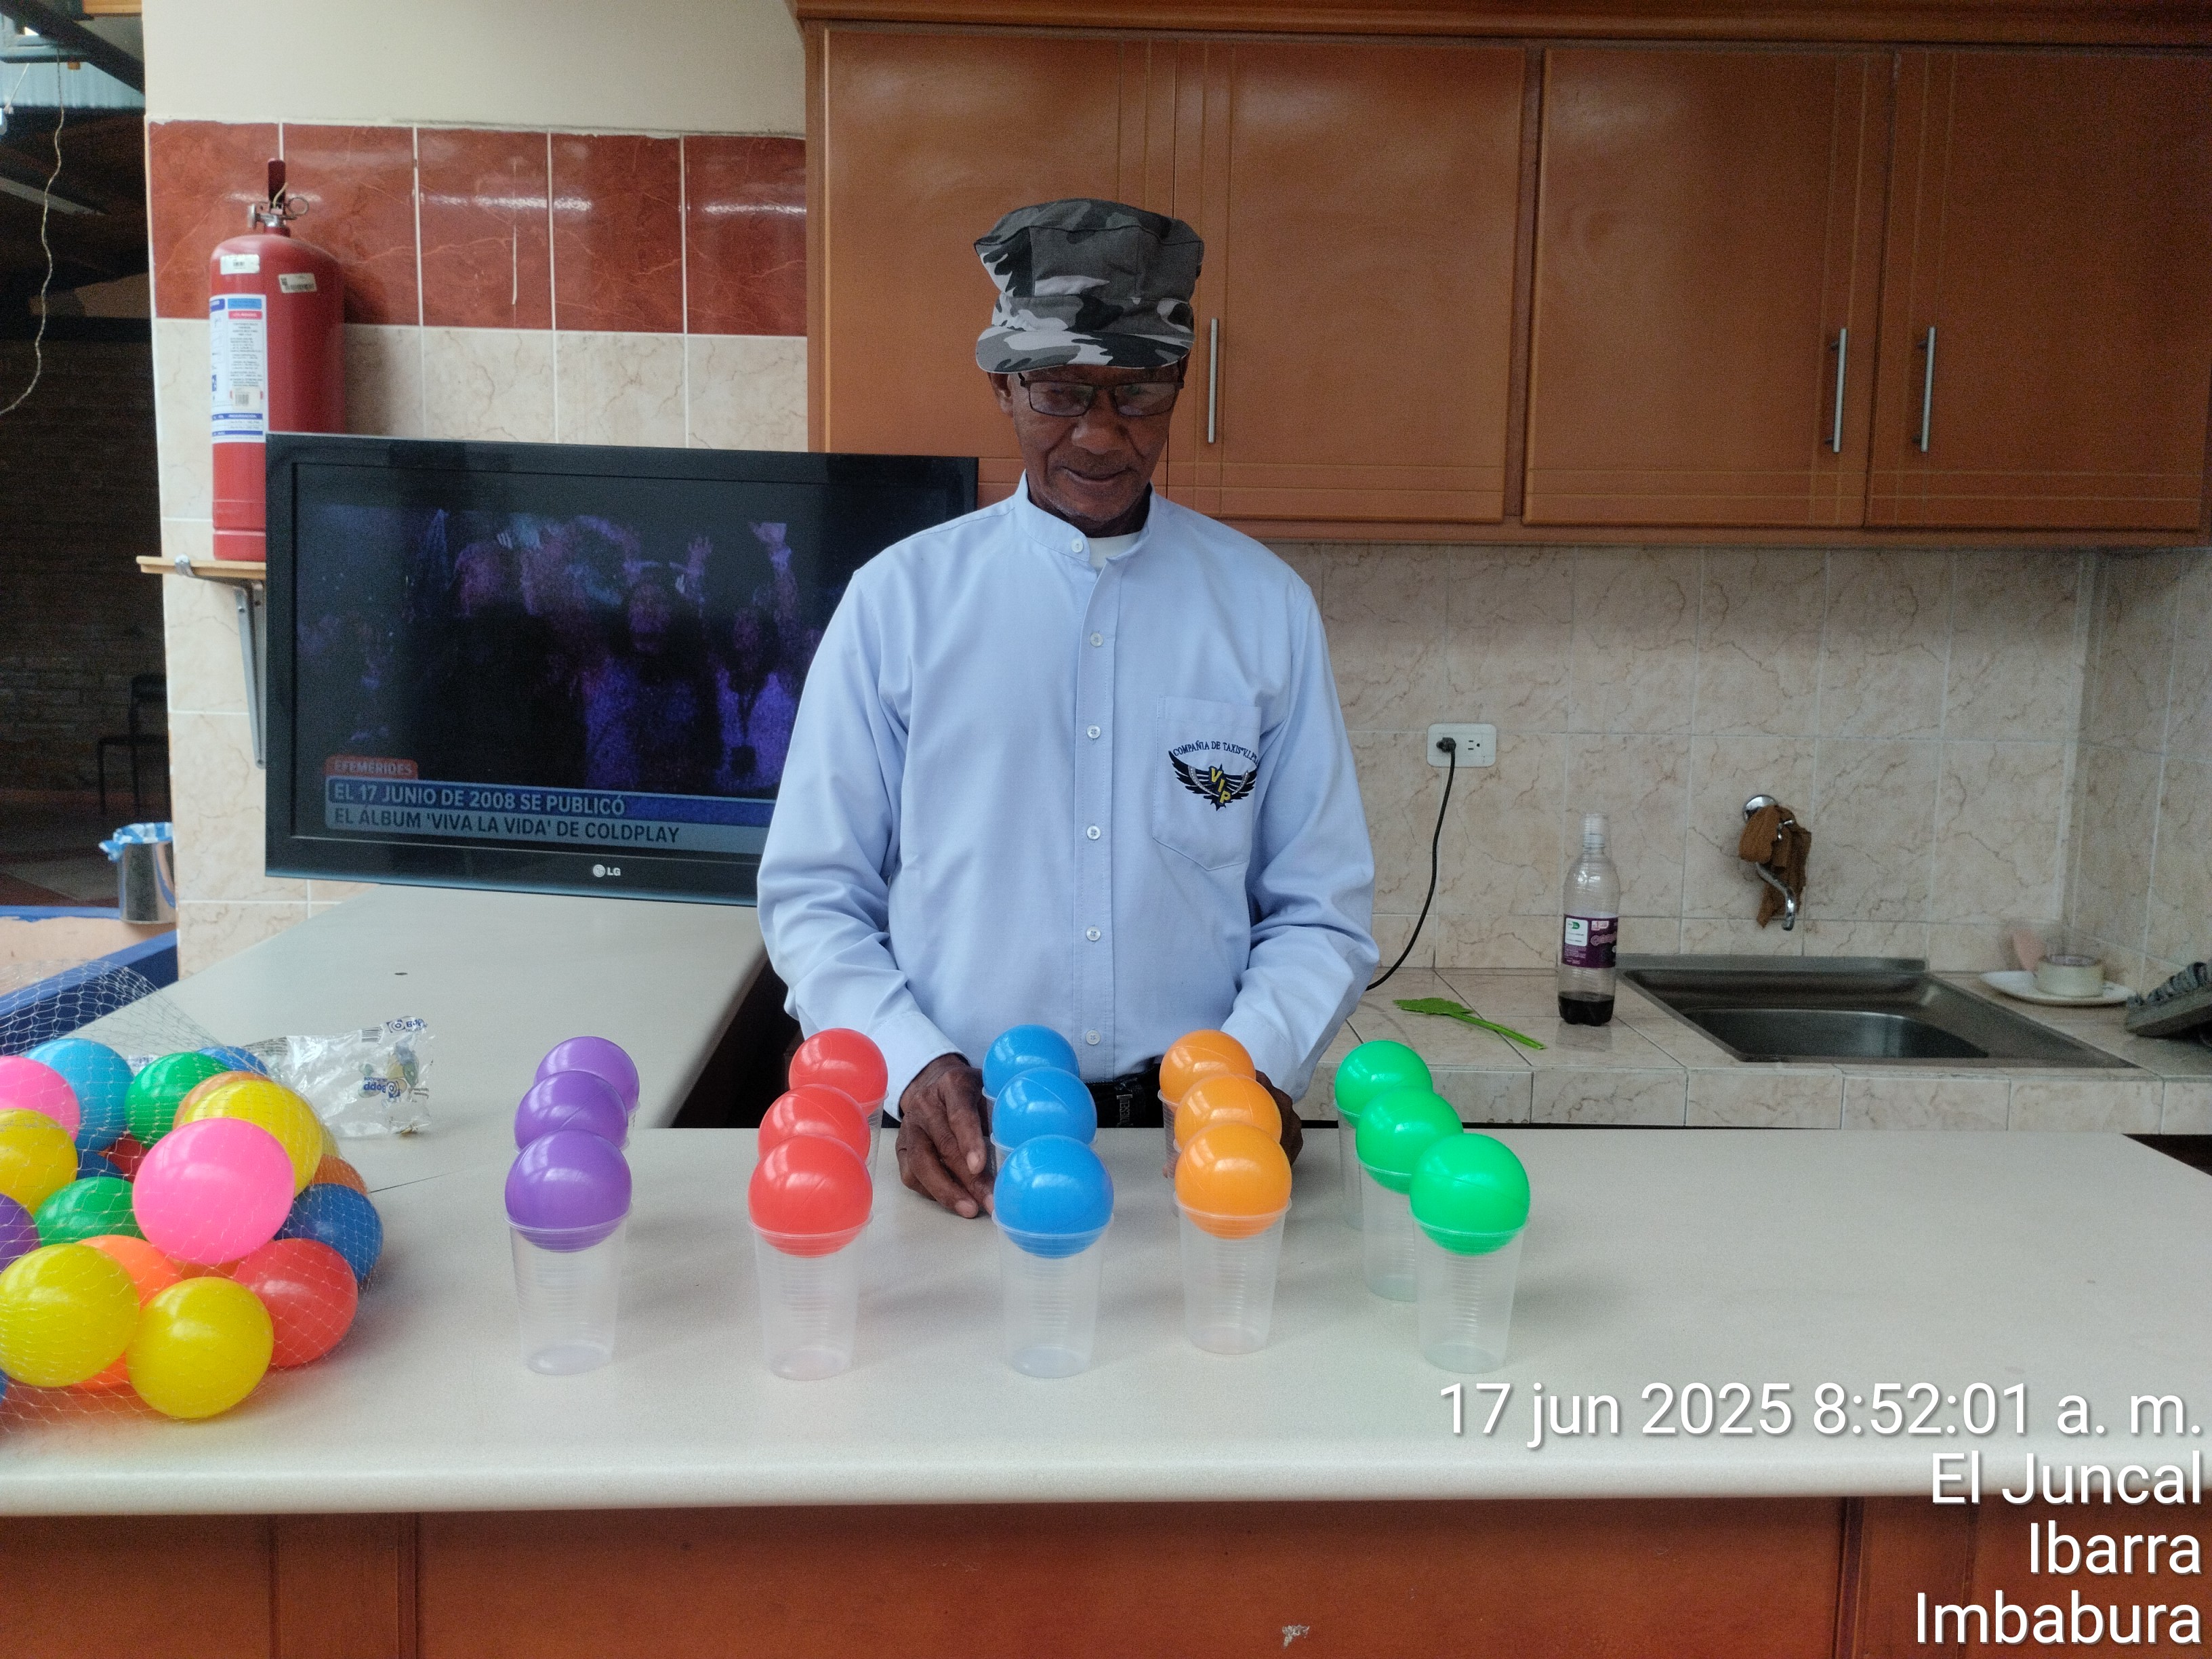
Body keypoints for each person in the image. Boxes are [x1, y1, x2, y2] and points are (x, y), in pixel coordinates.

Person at [759, 199, 1376, 1218]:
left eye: (1138, 391)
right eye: (1058, 392)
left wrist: (1251, 1068)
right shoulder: (898, 604)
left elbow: (1319, 907)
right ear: (1002, 386)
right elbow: (815, 894)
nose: (1100, 433)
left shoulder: (1264, 610)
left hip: (1194, 1156)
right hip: (965, 1148)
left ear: (1180, 385)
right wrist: (912, 1068)